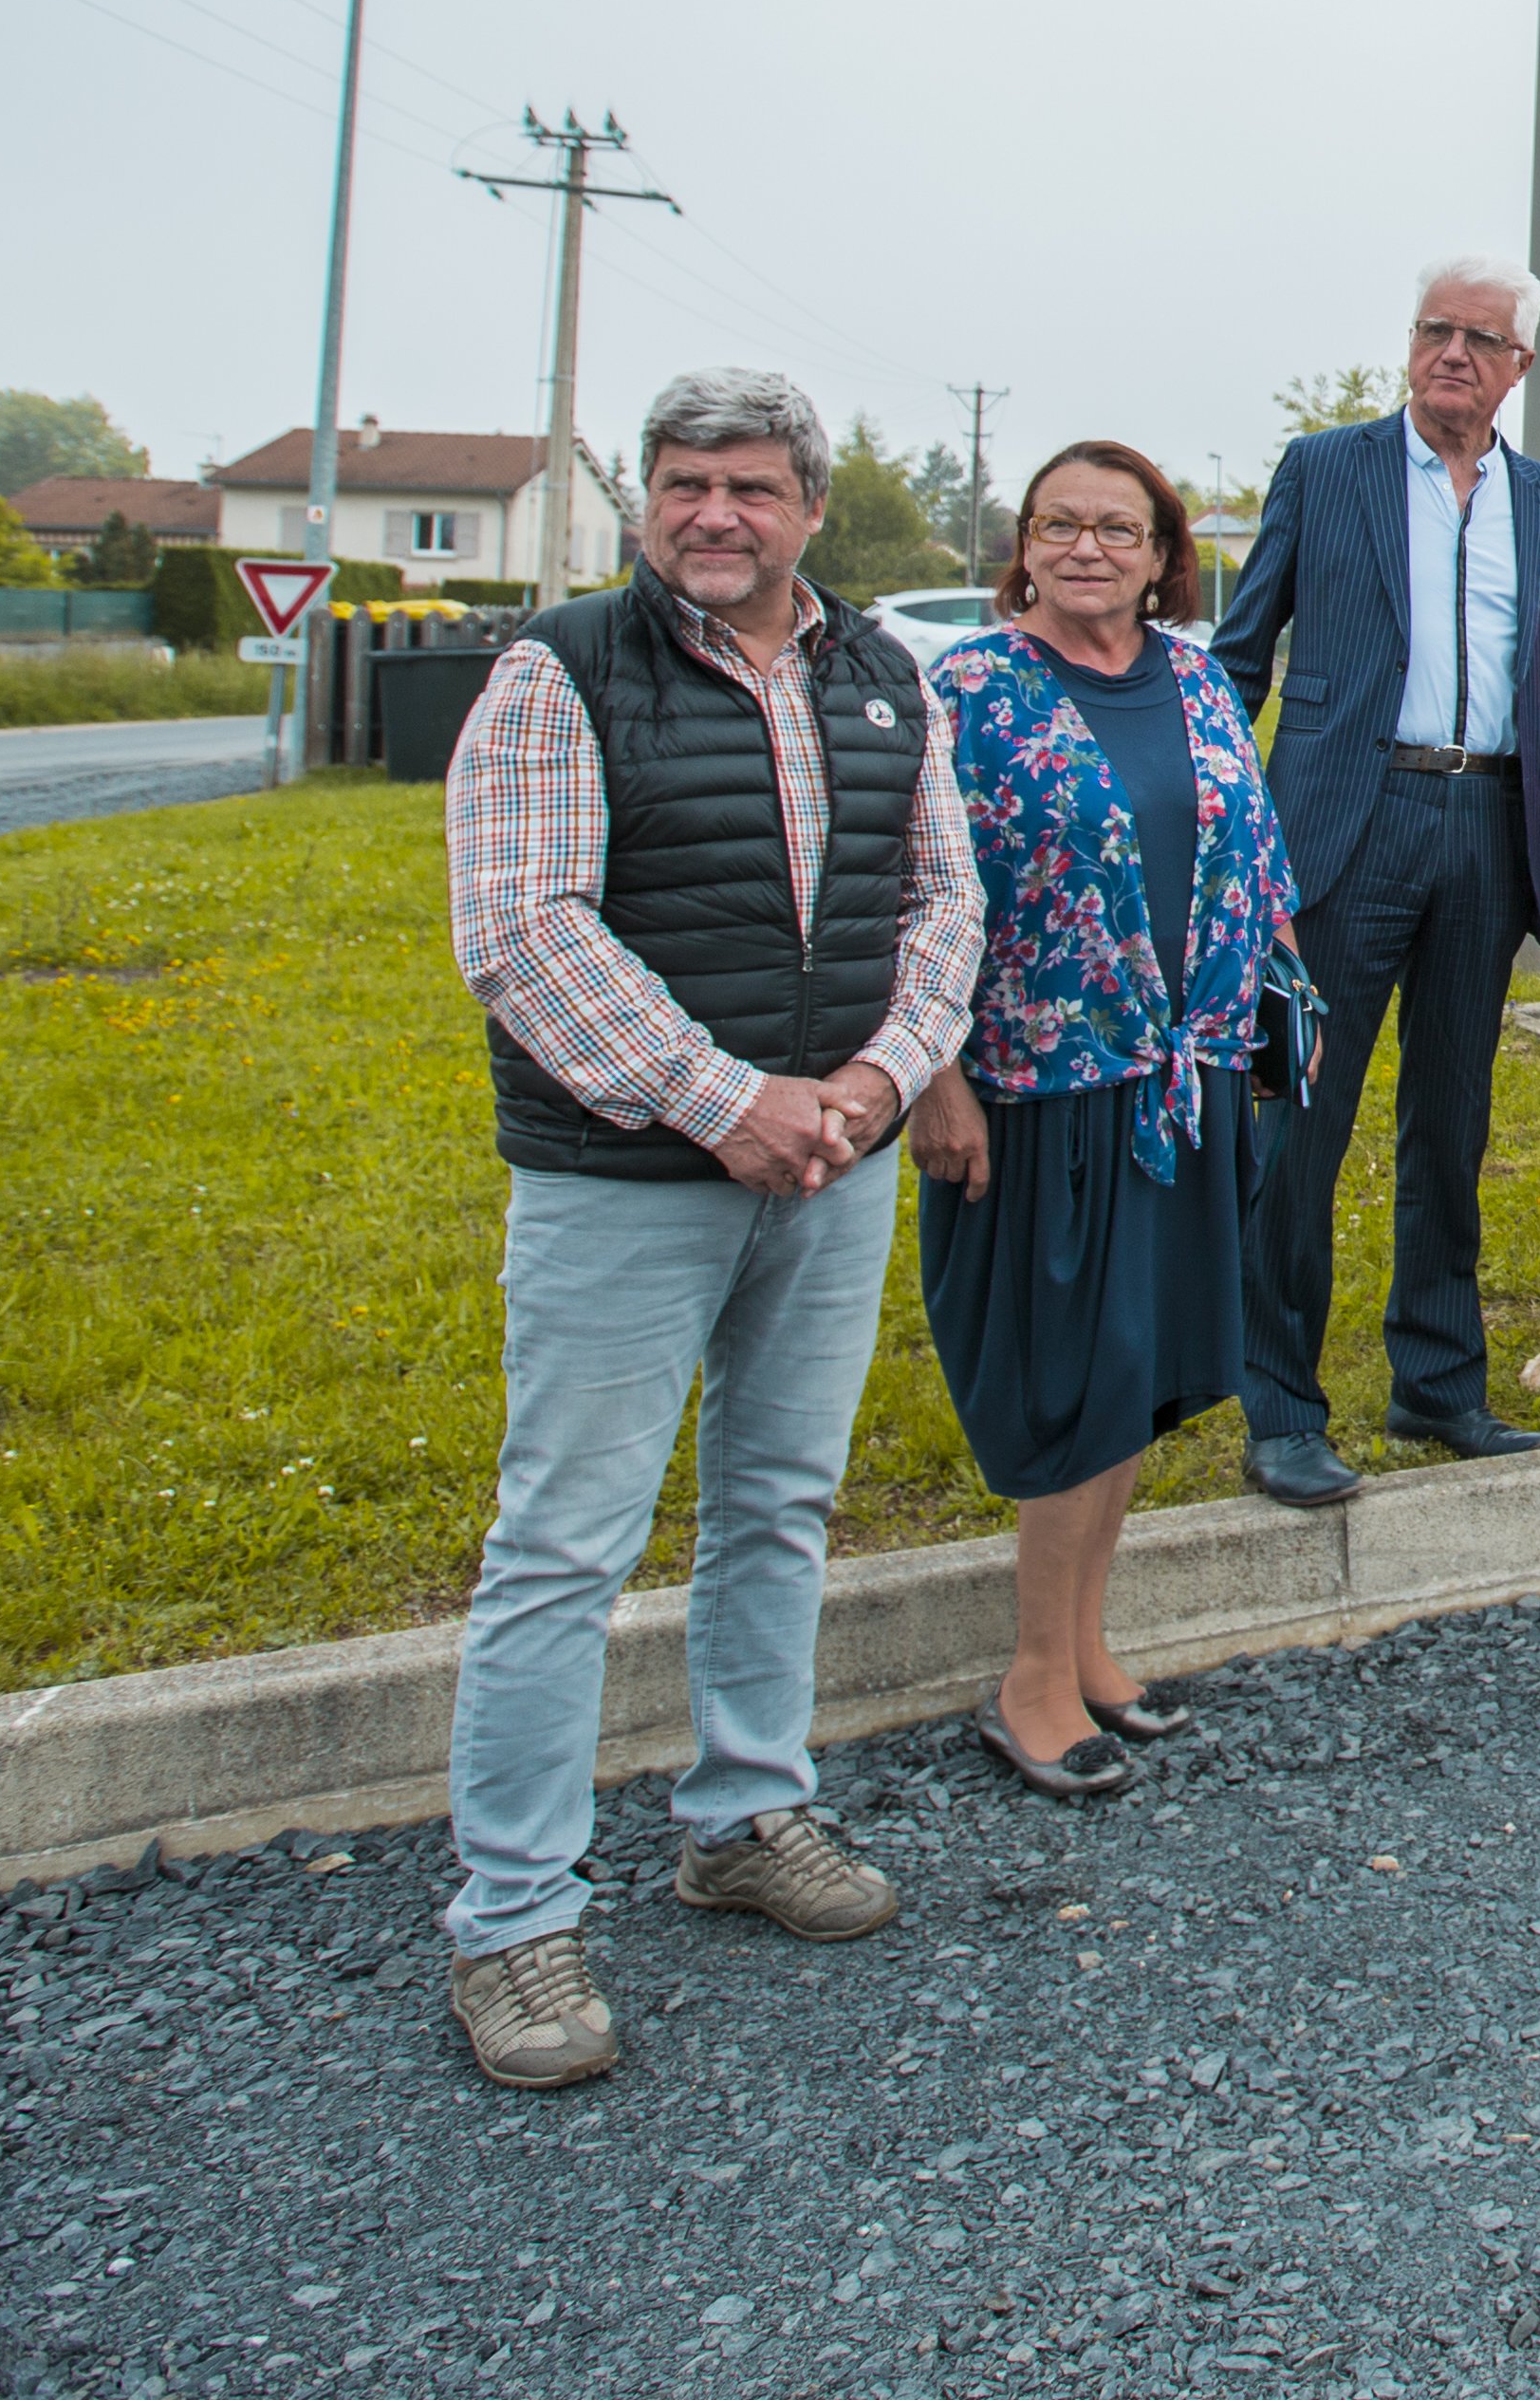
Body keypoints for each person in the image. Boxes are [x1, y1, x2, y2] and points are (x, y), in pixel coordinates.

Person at [435, 366, 985, 2090]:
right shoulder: (561, 671)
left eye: (750, 486)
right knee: (565, 1545)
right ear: (648, 499)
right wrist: (723, 1100)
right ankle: (514, 1919)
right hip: (629, 1180)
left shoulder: (885, 675)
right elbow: (526, 932)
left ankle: (746, 1816)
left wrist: (884, 1082)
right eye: (684, 483)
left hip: (832, 1162)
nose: (714, 514)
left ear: (812, 507)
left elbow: (944, 898)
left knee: (779, 1505)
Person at [905, 441, 1306, 1798]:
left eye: (1117, 529)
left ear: (1161, 553)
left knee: (1134, 1373)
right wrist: (933, 1074)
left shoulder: (1196, 677)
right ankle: (1026, 1681)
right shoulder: (968, 690)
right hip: (1039, 1087)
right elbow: (912, 894)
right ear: (1023, 544)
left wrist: (1270, 1000)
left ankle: (1082, 1645)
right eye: (1059, 525)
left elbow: (1249, 851)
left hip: (1176, 1079)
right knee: (1072, 1382)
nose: (1087, 548)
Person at [1211, 255, 1540, 1501]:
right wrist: (1230, 831)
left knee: (1454, 1119)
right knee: (1297, 1117)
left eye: (1482, 340)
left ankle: (1440, 1385)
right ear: (1412, 343)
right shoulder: (1325, 473)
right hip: (1340, 823)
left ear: (1517, 368)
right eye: (1436, 330)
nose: (1454, 354)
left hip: (1488, 829)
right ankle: (1279, 1405)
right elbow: (1237, 661)